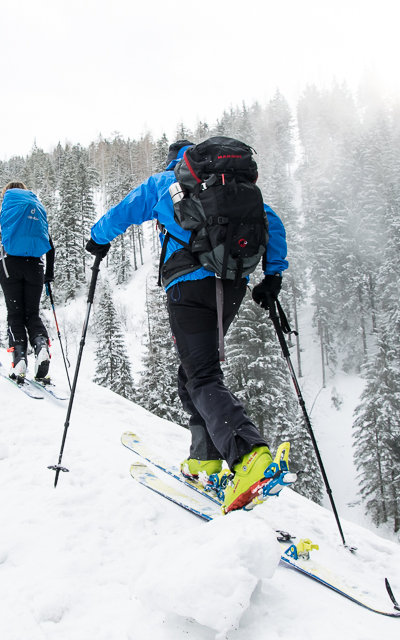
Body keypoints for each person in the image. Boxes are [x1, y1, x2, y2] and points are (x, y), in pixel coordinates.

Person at [86, 139, 289, 514]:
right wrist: (272, 276)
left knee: (202, 376)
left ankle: (249, 457)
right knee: (194, 373)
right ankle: (205, 460)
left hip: (189, 287)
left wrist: (97, 240)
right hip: (231, 286)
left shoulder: (167, 183)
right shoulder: (232, 185)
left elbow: (124, 211)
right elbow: (270, 222)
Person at [0, 181, 55, 384]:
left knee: (15, 315)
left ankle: (19, 360)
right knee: (32, 314)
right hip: (35, 266)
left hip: (10, 265)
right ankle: (41, 348)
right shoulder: (35, 209)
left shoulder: (3, 211)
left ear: (7, 194)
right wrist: (48, 275)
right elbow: (50, 247)